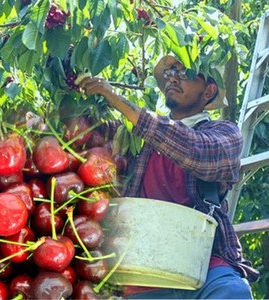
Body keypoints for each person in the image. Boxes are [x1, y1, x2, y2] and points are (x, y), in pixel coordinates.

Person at [79, 54, 259, 299]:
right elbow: (87, 131)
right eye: (170, 74)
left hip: (202, 265)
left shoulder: (224, 133)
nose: (174, 79)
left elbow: (195, 149)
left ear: (209, 91)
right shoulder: (135, 138)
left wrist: (118, 100)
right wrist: (75, 75)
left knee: (233, 291)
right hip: (145, 269)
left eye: (184, 73)